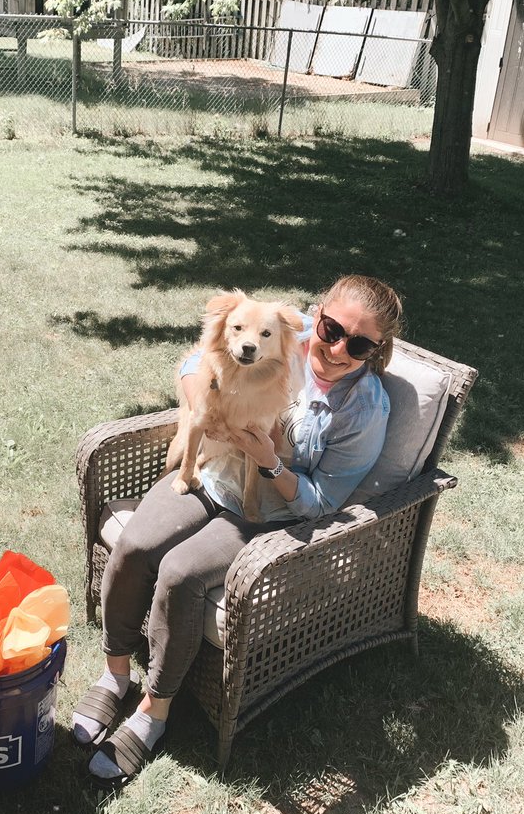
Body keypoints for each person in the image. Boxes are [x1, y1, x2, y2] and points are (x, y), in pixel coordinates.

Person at [70, 275, 403, 782]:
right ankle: (116, 674)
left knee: (181, 573)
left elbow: (324, 504)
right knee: (136, 542)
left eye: (357, 345)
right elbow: (194, 361)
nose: (336, 349)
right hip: (210, 470)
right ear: (319, 314)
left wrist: (270, 463)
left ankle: (152, 713)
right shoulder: (281, 332)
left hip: (267, 513)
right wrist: (198, 397)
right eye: (331, 328)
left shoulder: (366, 409)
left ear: (375, 350)